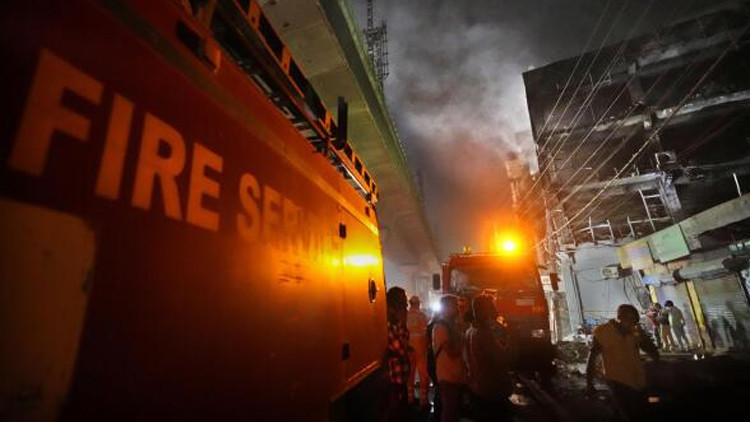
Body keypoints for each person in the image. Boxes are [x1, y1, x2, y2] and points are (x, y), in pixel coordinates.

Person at [586, 304, 660, 421]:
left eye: (635, 322)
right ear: (620, 318)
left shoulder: (634, 331)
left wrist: (647, 342)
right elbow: (592, 357)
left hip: (638, 381)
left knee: (645, 411)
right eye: (630, 320)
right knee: (629, 414)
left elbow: (650, 349)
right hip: (618, 381)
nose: (632, 324)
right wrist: (589, 383)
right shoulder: (603, 332)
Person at [464, 294, 512, 422]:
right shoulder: (484, 333)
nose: (494, 309)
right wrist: (510, 340)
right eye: (491, 306)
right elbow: (501, 358)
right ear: (484, 310)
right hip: (491, 389)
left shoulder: (470, 331)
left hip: (476, 388)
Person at [432, 295, 466, 422]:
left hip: (456, 378)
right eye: (454, 305)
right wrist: (464, 342)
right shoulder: (440, 328)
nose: (458, 308)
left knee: (454, 412)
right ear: (446, 307)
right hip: (447, 378)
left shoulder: (453, 326)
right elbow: (452, 352)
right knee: (449, 413)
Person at [384, 287, 410, 421]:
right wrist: (403, 323)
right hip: (393, 381)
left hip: (401, 380)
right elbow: (401, 348)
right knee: (395, 414)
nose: (406, 308)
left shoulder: (396, 325)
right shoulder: (388, 326)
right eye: (403, 304)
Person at [406, 295, 430, 410]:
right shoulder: (422, 316)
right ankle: (423, 400)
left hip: (409, 348)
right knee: (423, 374)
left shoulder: (405, 316)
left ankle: (410, 398)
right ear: (418, 304)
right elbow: (427, 331)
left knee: (410, 374)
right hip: (421, 348)